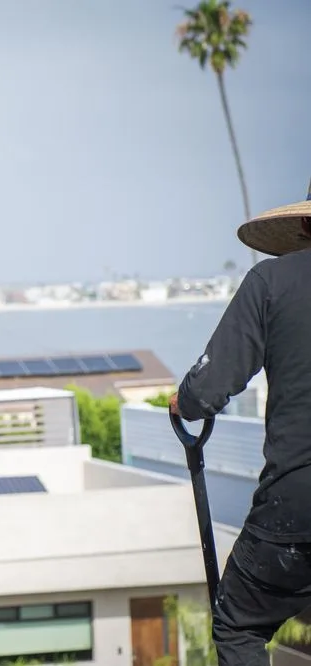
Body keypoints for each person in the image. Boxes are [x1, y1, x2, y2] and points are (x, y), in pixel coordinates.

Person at [170, 185, 311, 666]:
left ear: (305, 225)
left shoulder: (272, 281)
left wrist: (182, 402)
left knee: (238, 625)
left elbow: (204, 394)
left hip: (296, 505)